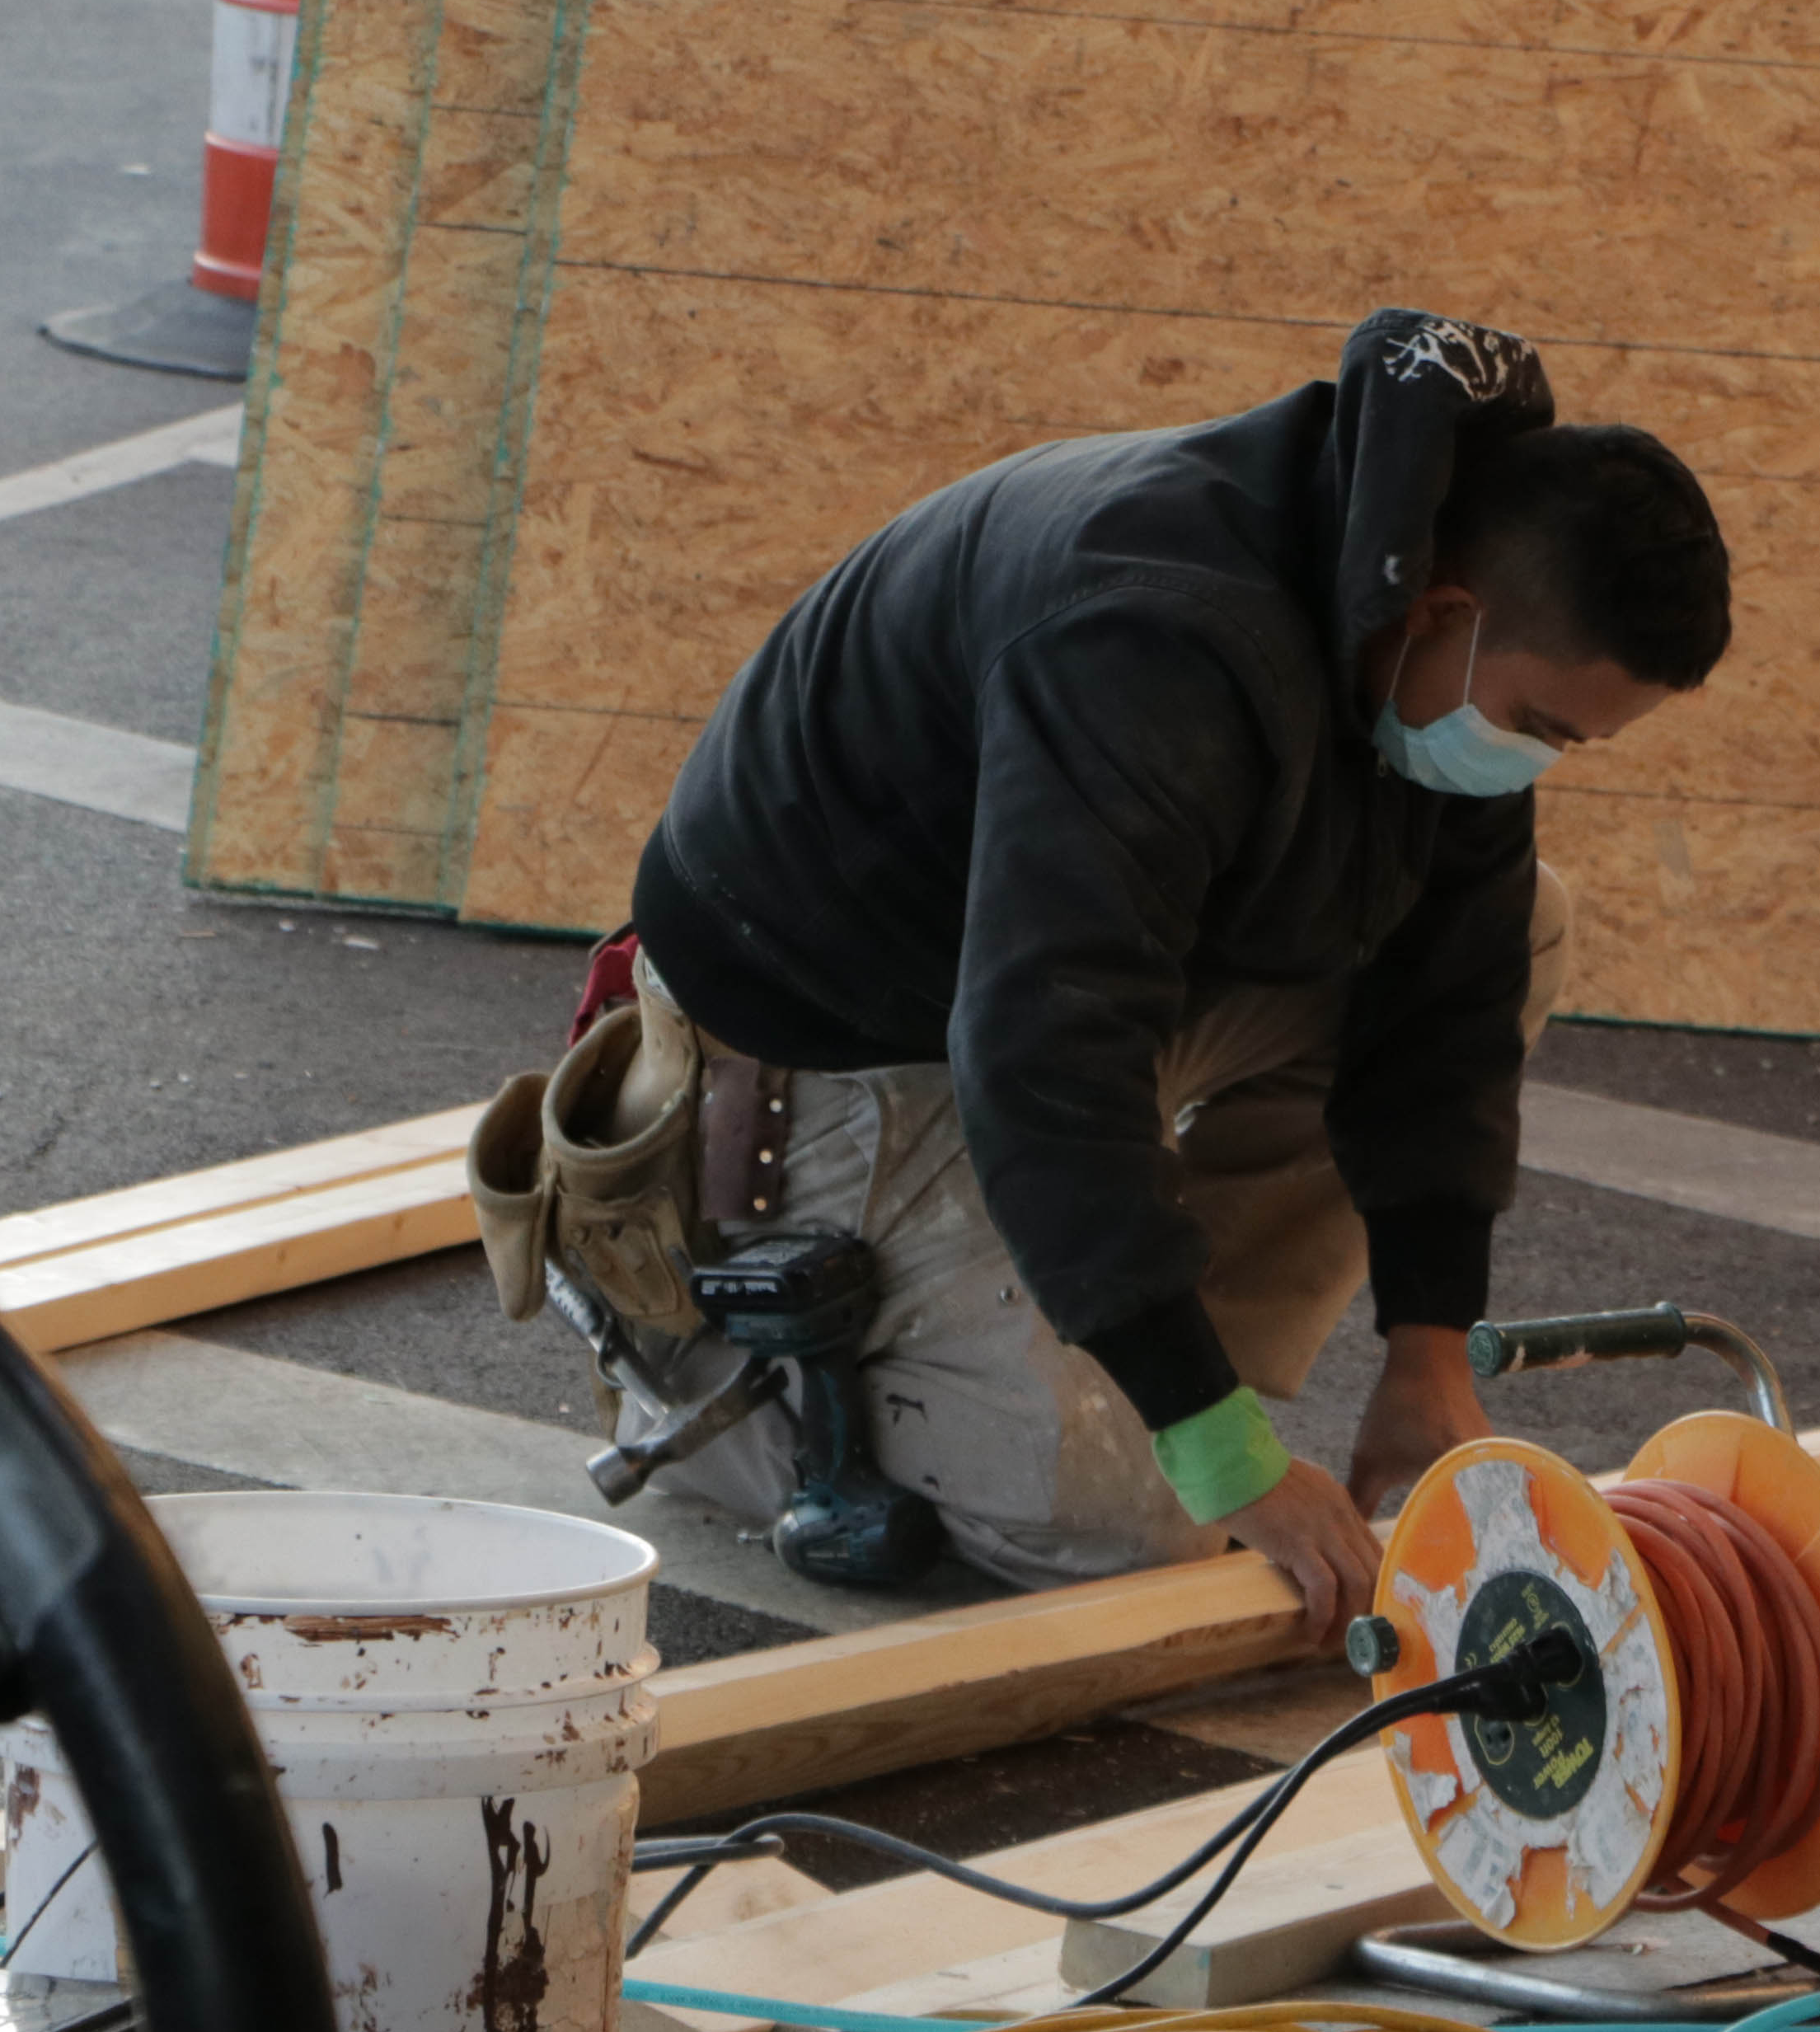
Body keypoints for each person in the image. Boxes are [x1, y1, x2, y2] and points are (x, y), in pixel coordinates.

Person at [469, 308, 1730, 1636]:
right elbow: (1045, 1050)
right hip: (830, 1046)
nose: (1534, 760)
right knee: (1151, 1536)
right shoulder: (1154, 629)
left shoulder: (1422, 604)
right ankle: (725, 1379)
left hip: (1041, 967)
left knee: (1526, 918)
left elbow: (1451, 998)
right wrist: (1224, 1462)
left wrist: (1429, 1350)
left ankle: (1135, 1368)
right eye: (1537, 726)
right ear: (1447, 610)